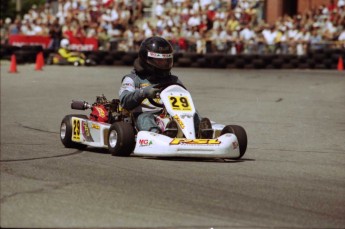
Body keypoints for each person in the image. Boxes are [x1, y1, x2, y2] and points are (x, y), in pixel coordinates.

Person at [118, 36, 213, 138]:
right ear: (147, 60)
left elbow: (184, 99)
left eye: (166, 61)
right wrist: (143, 92)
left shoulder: (173, 80)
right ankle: (156, 135)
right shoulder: (132, 79)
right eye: (159, 61)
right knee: (144, 118)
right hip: (144, 116)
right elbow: (124, 101)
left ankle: (200, 131)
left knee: (192, 113)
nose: (164, 64)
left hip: (170, 115)